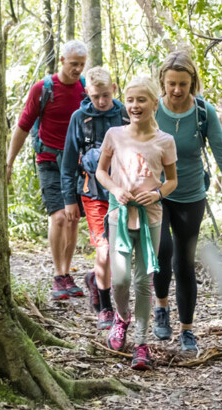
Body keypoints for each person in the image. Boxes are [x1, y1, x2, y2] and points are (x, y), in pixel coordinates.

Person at [151, 50, 222, 358]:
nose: (177, 90)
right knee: (162, 250)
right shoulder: (151, 109)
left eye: (183, 84)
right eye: (171, 84)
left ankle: (187, 329)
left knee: (184, 262)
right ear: (162, 82)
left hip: (191, 195)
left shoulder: (203, 113)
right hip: (156, 194)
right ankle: (161, 307)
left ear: (192, 83)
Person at [96, 76, 178, 371]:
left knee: (144, 282)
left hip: (151, 220)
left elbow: (172, 181)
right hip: (119, 215)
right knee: (120, 280)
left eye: (141, 100)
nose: (134, 106)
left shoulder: (164, 141)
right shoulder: (114, 135)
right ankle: (121, 318)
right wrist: (115, 189)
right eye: (130, 100)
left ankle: (141, 343)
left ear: (155, 104)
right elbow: (101, 172)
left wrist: (156, 194)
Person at [7, 40, 88, 300]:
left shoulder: (85, 89)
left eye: (81, 65)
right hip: (49, 160)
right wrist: (8, 162)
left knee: (73, 218)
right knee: (59, 217)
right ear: (62, 61)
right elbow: (22, 126)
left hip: (76, 163)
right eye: (73, 64)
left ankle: (67, 274)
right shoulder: (43, 89)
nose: (77, 69)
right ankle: (57, 275)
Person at [60, 67, 128, 329]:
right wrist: (69, 200)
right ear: (87, 92)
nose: (101, 101)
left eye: (105, 95)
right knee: (104, 249)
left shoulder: (124, 113)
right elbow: (68, 163)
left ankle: (96, 280)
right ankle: (105, 308)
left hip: (122, 193)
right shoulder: (79, 118)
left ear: (114, 88)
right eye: (96, 95)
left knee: (120, 250)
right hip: (92, 194)